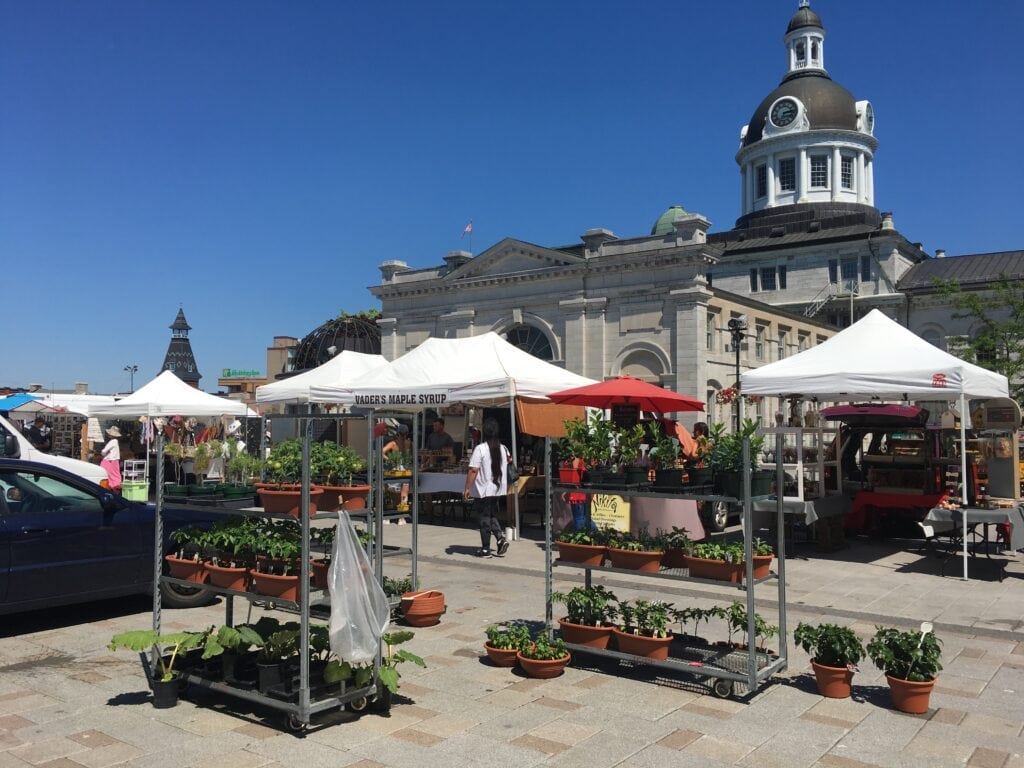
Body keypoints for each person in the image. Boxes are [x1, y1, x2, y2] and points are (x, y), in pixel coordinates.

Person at [463, 418, 510, 558]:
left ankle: (485, 549)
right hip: (497, 488)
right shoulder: (503, 448)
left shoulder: (480, 449)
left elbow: (473, 470)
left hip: (483, 489)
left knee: (484, 518)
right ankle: (500, 539)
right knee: (490, 515)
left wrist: (466, 488)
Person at [101, 426, 123, 491]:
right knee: (115, 474)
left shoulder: (113, 441)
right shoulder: (115, 441)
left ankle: (113, 487)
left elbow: (104, 451)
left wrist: (102, 453)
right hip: (114, 460)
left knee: (107, 474)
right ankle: (115, 487)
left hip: (110, 461)